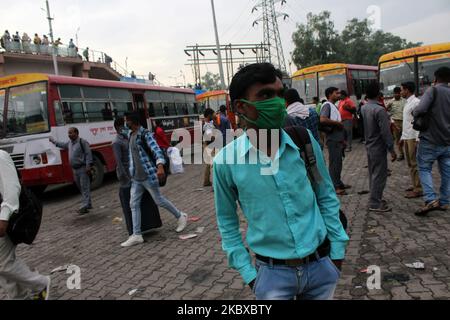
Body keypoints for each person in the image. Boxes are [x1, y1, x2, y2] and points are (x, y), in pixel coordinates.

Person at [213, 63, 349, 300]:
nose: (277, 103)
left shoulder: (304, 142)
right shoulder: (226, 161)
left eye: (279, 94)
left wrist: (336, 254)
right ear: (241, 106)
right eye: (265, 95)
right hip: (271, 276)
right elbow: (227, 221)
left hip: (321, 268)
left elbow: (325, 195)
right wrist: (250, 275)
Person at [121, 112, 188, 247]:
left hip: (148, 176)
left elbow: (156, 150)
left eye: (126, 121)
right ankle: (137, 234)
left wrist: (160, 166)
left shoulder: (145, 134)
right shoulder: (130, 135)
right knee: (133, 204)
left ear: (132, 121)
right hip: (136, 178)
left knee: (159, 200)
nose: (125, 124)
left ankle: (181, 216)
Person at [0, 150, 51, 300]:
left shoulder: (0, 156)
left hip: (5, 217)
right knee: (3, 264)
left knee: (3, 264)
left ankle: (40, 284)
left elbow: (12, 187)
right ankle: (19, 296)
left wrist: (3, 218)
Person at [413, 67, 450, 216]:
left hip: (430, 140)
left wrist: (414, 113)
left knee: (424, 168)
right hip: (447, 141)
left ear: (435, 77)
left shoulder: (432, 91)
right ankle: (445, 201)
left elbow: (419, 110)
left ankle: (430, 199)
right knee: (447, 172)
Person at [361, 83, 397, 212]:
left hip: (369, 145)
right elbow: (385, 132)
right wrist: (391, 149)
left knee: (373, 173)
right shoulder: (380, 110)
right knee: (380, 175)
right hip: (378, 146)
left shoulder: (364, 108)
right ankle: (375, 203)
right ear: (378, 94)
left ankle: (375, 198)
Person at [49, 128, 93, 215]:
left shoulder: (82, 142)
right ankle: (88, 204)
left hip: (83, 168)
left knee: (84, 187)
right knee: (81, 187)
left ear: (76, 133)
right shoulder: (69, 143)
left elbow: (88, 154)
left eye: (71, 133)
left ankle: (85, 205)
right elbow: (61, 144)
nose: (69, 135)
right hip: (75, 170)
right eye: (68, 133)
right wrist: (53, 141)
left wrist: (88, 166)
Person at [320, 87, 349, 195]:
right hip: (333, 138)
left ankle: (338, 182)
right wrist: (337, 124)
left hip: (338, 138)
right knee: (335, 163)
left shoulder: (333, 106)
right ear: (330, 94)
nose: (338, 94)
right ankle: (336, 186)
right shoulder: (327, 105)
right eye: (336, 93)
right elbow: (322, 119)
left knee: (338, 162)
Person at [399, 82, 422, 199]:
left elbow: (420, 121)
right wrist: (402, 137)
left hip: (413, 136)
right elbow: (407, 122)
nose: (400, 92)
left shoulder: (416, 102)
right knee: (410, 163)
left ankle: (418, 188)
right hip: (407, 136)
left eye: (402, 90)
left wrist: (418, 138)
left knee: (414, 163)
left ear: (407, 90)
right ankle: (415, 184)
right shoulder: (408, 102)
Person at [386, 87, 406, 161]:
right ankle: (401, 154)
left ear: (400, 93)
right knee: (397, 139)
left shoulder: (405, 101)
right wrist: (390, 116)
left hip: (404, 122)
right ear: (393, 93)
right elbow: (385, 110)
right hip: (395, 122)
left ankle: (408, 152)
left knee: (406, 138)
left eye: (398, 93)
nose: (397, 94)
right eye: (395, 93)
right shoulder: (390, 102)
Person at [202, 108, 216, 187]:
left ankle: (206, 181)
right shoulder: (207, 125)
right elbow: (210, 137)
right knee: (212, 164)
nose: (214, 115)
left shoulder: (207, 123)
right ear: (209, 115)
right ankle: (214, 183)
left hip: (207, 145)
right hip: (210, 145)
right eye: (213, 114)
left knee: (208, 163)